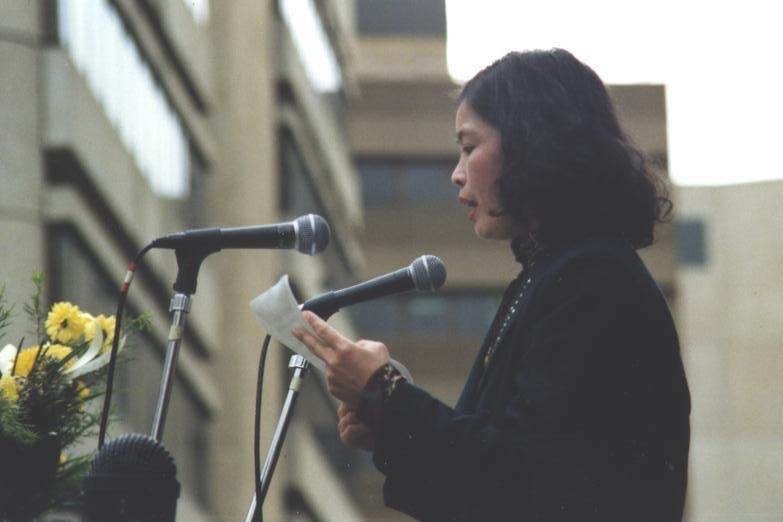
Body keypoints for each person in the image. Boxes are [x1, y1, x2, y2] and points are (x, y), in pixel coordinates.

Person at [293, 49, 690, 522]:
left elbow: (516, 482)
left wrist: (385, 394)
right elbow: (497, 467)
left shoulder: (592, 281)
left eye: (469, 146)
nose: (456, 173)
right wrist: (385, 420)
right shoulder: (558, 274)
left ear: (531, 143)